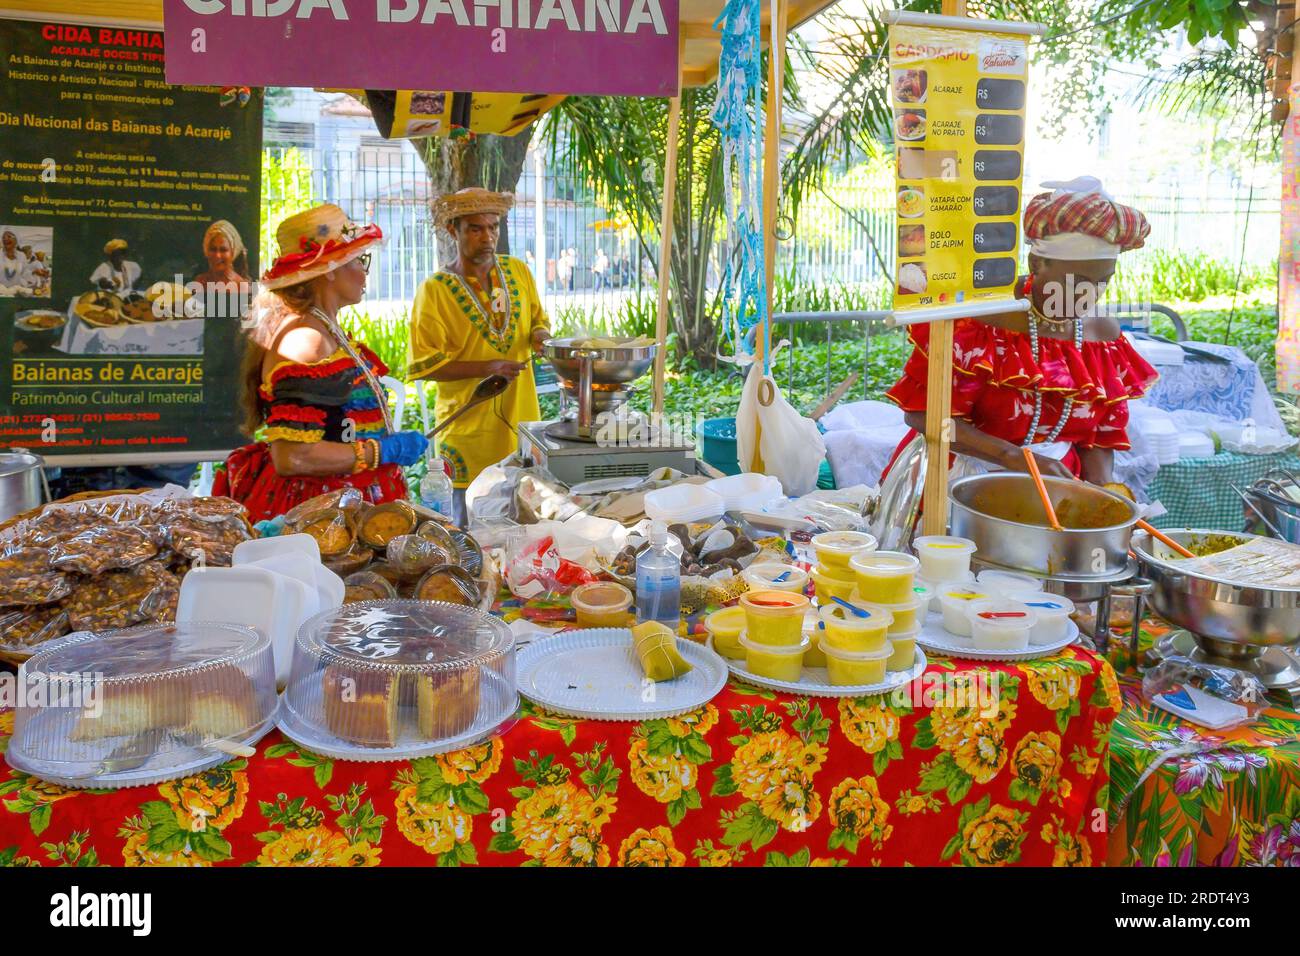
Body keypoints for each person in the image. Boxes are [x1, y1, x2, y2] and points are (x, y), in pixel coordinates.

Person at [885, 177, 1159, 486]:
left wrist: (1100, 496)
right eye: (1077, 280)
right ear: (1037, 262)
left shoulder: (1102, 336)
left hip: (1057, 492)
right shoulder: (979, 318)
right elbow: (925, 416)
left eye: (1102, 281)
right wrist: (1013, 458)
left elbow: (1100, 437)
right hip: (951, 481)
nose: (1089, 295)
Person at [215, 203, 429, 522]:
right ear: (329, 268)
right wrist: (380, 452)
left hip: (342, 506)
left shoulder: (322, 329)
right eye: (359, 260)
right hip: (321, 517)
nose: (365, 271)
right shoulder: (306, 339)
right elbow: (291, 456)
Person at [409, 188, 551, 526]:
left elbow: (537, 322)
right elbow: (427, 365)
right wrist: (489, 366)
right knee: (467, 527)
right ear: (452, 230)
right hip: (467, 429)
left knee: (523, 521)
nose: (487, 237)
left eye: (494, 227)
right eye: (475, 228)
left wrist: (541, 338)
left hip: (522, 421)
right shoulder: (435, 290)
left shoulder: (518, 271)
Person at [192, 219, 253, 319]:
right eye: (213, 249)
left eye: (223, 250)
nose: (217, 255)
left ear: (232, 252)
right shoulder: (199, 283)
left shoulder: (242, 287)